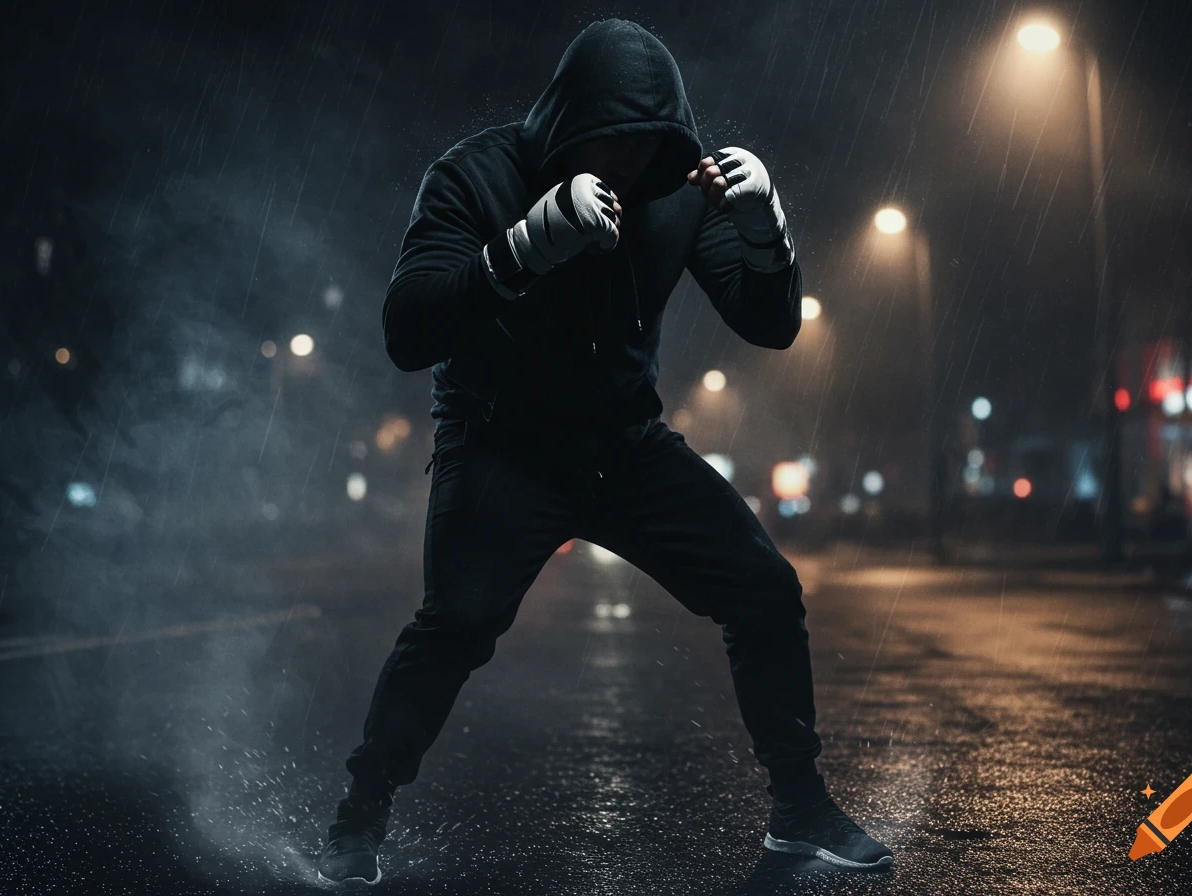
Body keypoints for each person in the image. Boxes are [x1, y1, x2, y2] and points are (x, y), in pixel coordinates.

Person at [317, 18, 893, 886]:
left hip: (623, 442)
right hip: (501, 440)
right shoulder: (476, 174)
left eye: (646, 141)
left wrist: (767, 229)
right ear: (567, 121)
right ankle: (357, 820)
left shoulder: (673, 188)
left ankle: (800, 811)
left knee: (766, 590)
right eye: (610, 138)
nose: (627, 159)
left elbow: (769, 324)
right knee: (458, 624)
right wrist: (524, 247)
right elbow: (407, 329)